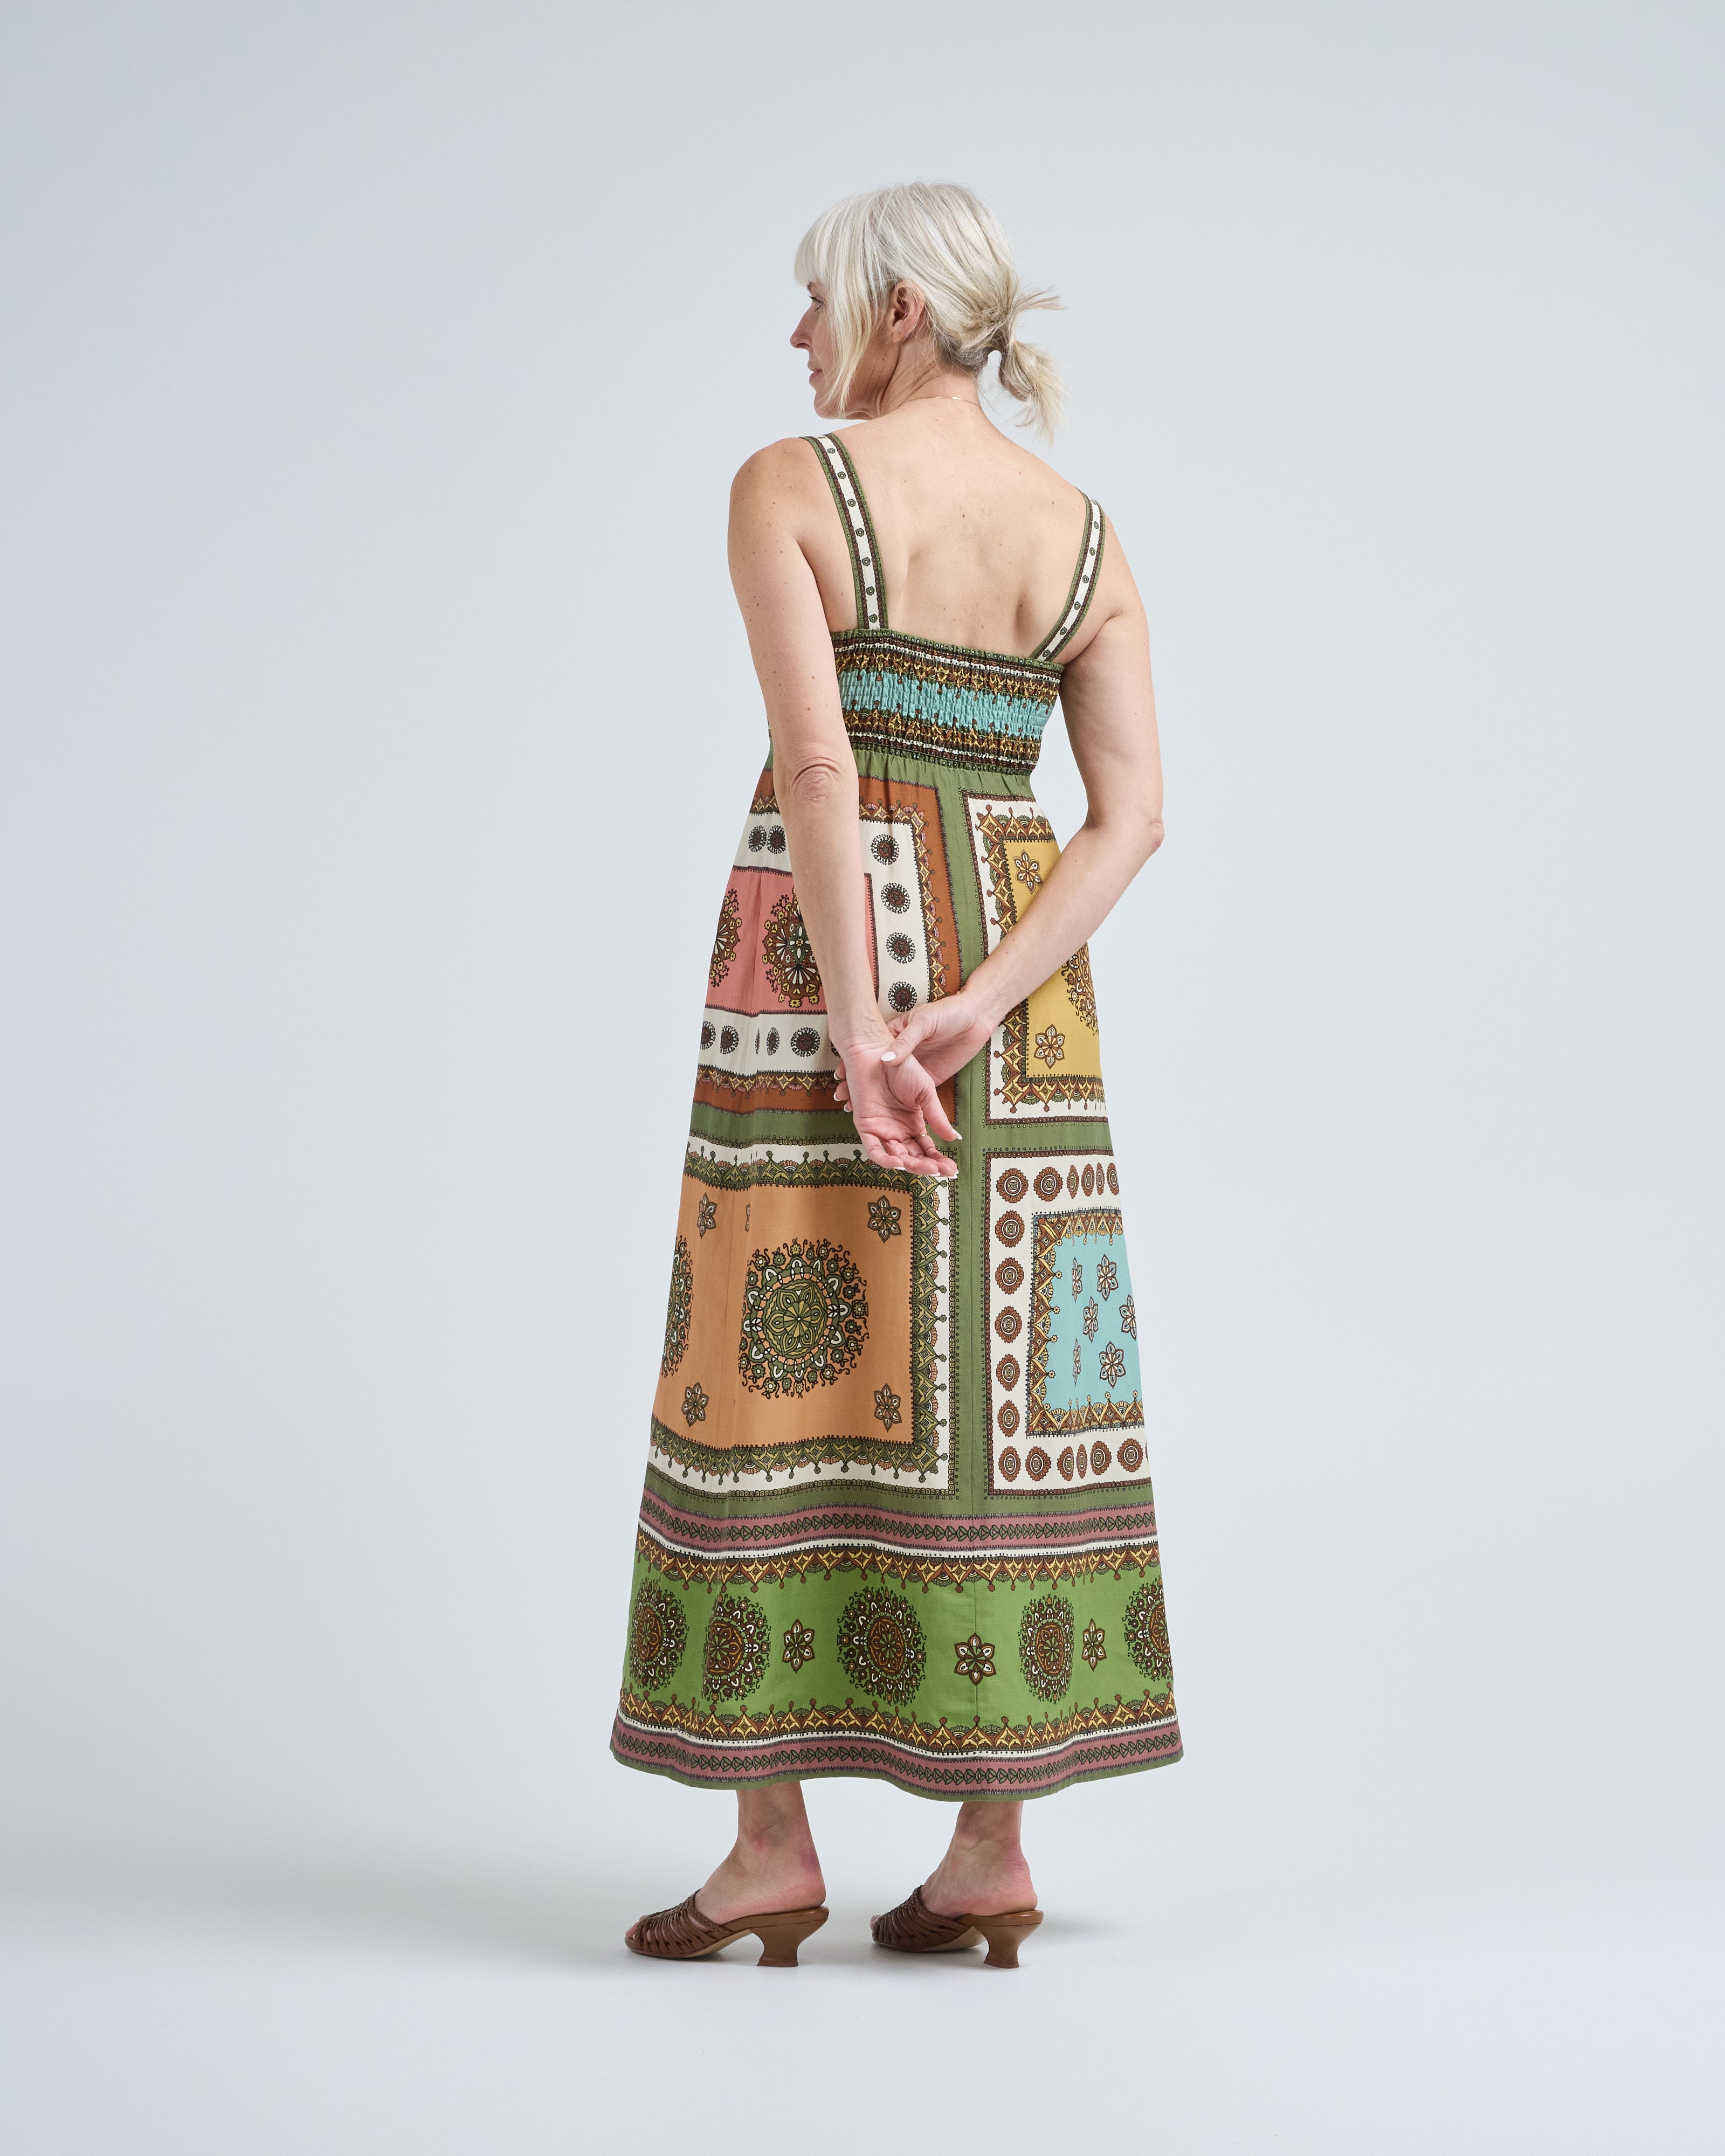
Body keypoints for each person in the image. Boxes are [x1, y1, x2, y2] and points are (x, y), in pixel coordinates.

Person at [615, 182, 1179, 1970]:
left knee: (770, 1349)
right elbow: (1133, 817)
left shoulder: (791, 484)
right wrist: (986, 1003)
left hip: (819, 956)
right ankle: (989, 1853)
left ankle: (768, 1848)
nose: (798, 336)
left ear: (904, 313)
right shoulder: (1081, 533)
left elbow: (820, 763)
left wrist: (863, 1026)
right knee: (1003, 1376)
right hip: (1017, 984)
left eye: (819, 301)